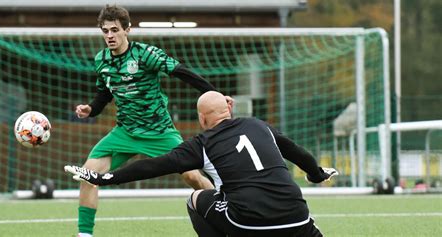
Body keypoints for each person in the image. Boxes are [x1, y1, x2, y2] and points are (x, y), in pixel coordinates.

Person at [66, 91, 338, 237]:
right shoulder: (260, 126)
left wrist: (105, 178)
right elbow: (298, 153)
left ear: (202, 119)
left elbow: (154, 166)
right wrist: (316, 174)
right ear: (229, 109)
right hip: (297, 218)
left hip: (248, 223)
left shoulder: (202, 142)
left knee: (195, 198)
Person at [74, 5, 228, 237]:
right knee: (88, 174)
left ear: (127, 30)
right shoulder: (101, 59)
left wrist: (215, 95)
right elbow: (105, 92)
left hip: (160, 131)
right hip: (124, 133)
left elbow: (182, 72)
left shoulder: (146, 54)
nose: (109, 36)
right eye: (105, 31)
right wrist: (91, 109)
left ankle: (226, 214)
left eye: (114, 30)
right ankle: (84, 234)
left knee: (192, 176)